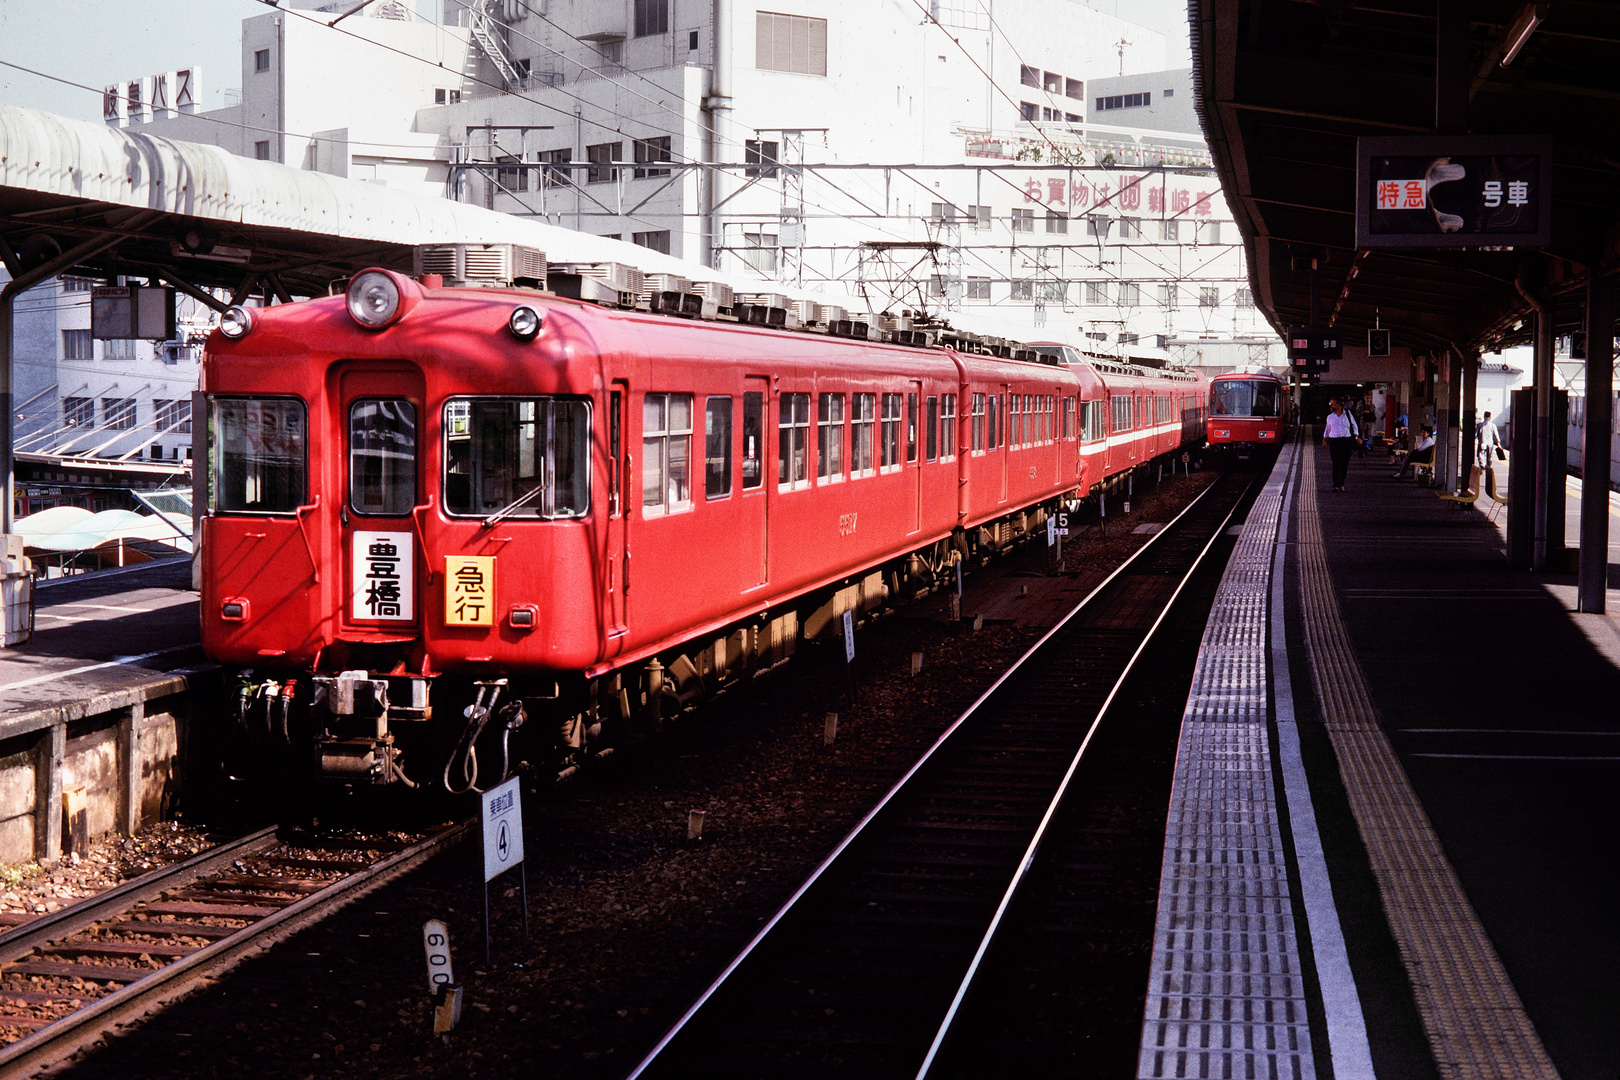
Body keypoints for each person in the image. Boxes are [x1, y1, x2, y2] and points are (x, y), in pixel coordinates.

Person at [1323, 397, 1359, 491]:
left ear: (1339, 404)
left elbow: (1354, 425)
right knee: (1336, 463)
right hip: (1334, 441)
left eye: (1333, 403)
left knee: (1344, 463)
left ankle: (1341, 484)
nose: (1331, 405)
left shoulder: (1347, 414)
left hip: (1346, 441)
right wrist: (1324, 440)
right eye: (1330, 403)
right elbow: (1327, 429)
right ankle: (1335, 485)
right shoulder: (1330, 417)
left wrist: (1356, 437)